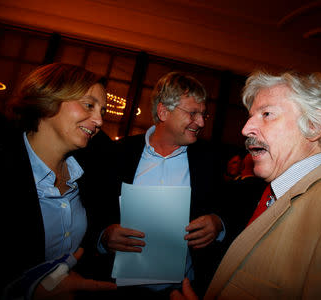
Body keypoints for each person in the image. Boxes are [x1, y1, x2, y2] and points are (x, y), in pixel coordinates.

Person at [171, 70, 321, 299]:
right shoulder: (273, 192)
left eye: (266, 114)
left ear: (314, 126)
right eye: (250, 117)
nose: (246, 129)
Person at [0, 63, 117, 299]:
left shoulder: (89, 172)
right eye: (89, 105)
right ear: (49, 99)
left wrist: (103, 239)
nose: (99, 120)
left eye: (103, 111)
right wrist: (25, 291)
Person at [93, 71, 225, 299]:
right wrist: (103, 235)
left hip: (184, 291)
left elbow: (229, 208)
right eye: (193, 113)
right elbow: (93, 210)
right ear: (163, 111)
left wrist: (218, 224)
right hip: (117, 290)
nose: (201, 122)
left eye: (204, 114)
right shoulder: (117, 154)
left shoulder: (209, 160)